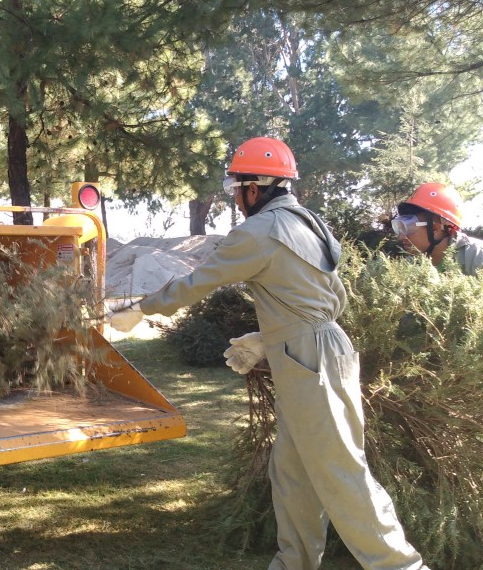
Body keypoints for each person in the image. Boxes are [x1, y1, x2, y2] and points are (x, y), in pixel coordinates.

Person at [110, 137, 428, 570]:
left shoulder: (259, 231)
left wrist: (140, 309)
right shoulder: (308, 223)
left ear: (253, 188)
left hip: (309, 358)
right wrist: (270, 335)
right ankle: (294, 563)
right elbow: (330, 299)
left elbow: (198, 281)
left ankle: (402, 566)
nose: (237, 201)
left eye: (236, 190)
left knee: (340, 472)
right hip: (324, 349)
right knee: (293, 474)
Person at [393, 182, 483, 276]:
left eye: (408, 227)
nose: (401, 236)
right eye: (399, 227)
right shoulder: (412, 263)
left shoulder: (477, 257)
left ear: (434, 229)